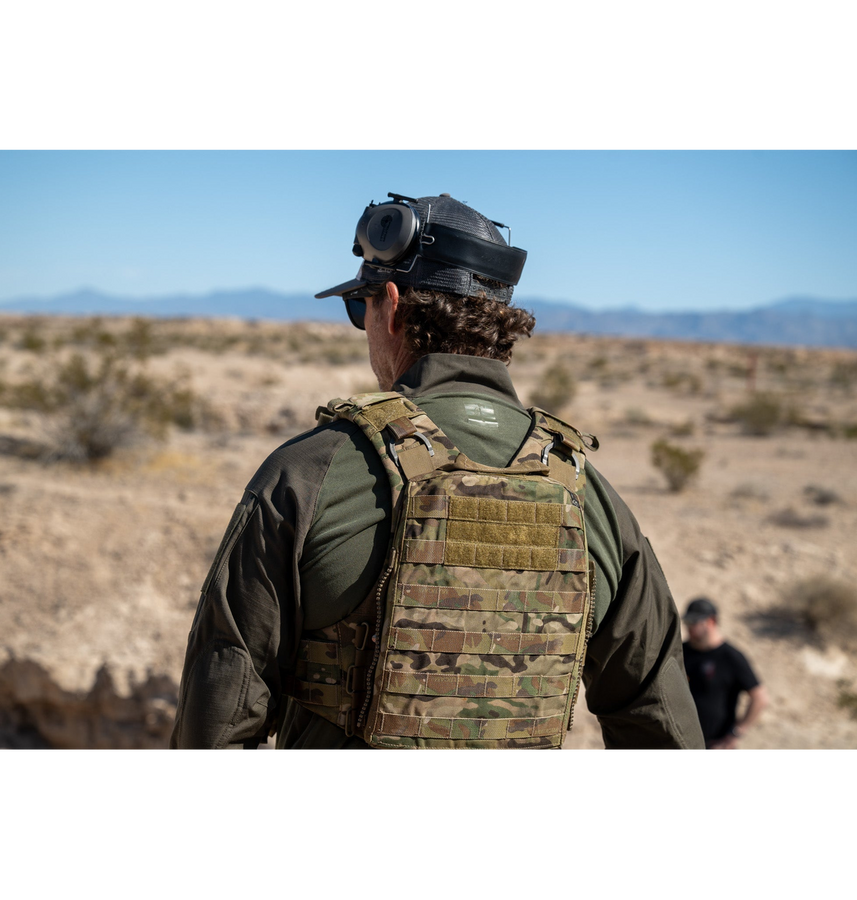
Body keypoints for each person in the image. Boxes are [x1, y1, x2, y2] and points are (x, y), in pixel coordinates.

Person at [170, 192, 705, 752]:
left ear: (393, 306)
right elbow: (660, 719)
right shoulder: (588, 494)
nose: (365, 325)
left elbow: (220, 715)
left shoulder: (308, 475)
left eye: (361, 306)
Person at [682, 597, 768, 751]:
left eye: (694, 622)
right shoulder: (680, 652)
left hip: (715, 746)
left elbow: (759, 698)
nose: (689, 627)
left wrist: (734, 735)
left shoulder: (730, 657)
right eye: (688, 622)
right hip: (681, 742)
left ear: (711, 621)